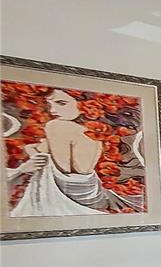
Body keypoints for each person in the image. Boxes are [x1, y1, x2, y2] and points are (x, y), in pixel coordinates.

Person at [6, 88, 143, 216]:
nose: (52, 110)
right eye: (49, 104)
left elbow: (61, 168)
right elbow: (43, 153)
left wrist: (32, 158)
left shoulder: (58, 126)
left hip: (68, 196)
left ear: (86, 104)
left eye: (61, 103)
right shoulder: (94, 132)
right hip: (91, 195)